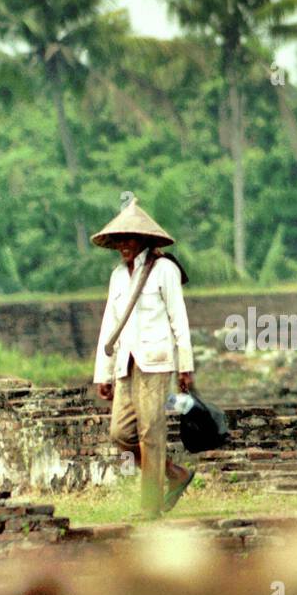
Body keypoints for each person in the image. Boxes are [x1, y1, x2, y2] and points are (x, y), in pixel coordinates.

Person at [91, 198, 196, 517]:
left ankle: (150, 506)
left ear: (144, 240)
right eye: (120, 239)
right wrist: (103, 373)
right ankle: (173, 473)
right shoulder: (118, 276)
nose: (124, 244)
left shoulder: (165, 270)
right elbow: (110, 324)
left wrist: (185, 366)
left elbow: (179, 318)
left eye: (130, 238)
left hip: (156, 361)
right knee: (121, 434)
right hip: (125, 362)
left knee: (152, 431)